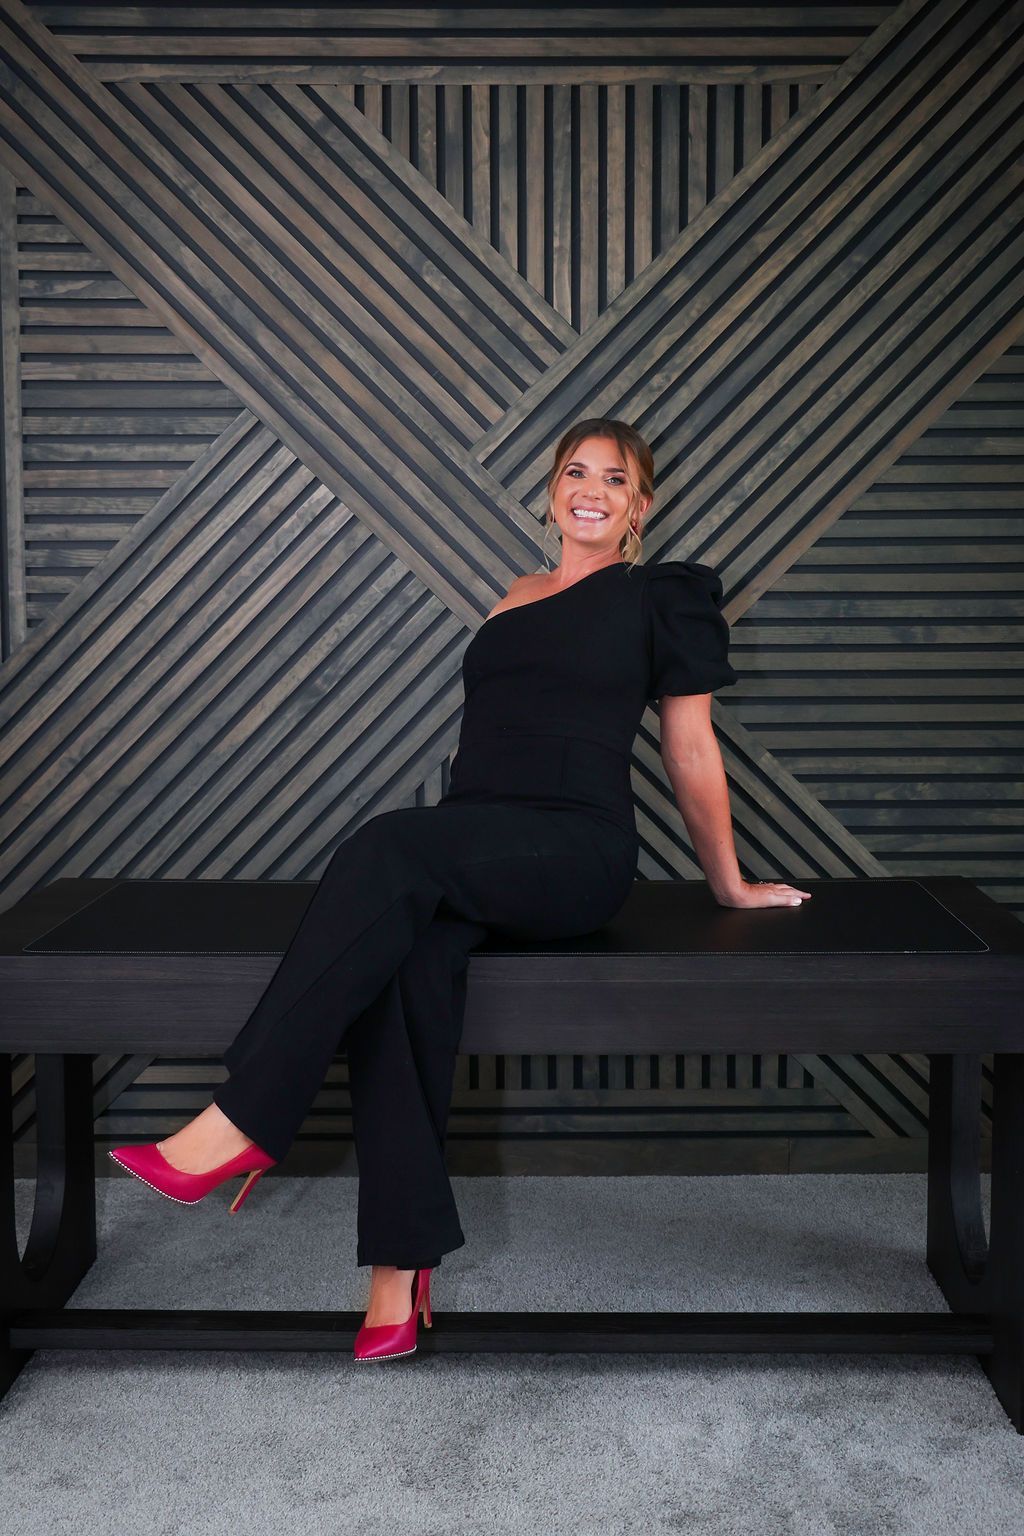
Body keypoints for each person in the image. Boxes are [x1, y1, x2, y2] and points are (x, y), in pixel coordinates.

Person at [108, 417, 811, 1362]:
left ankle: (242, 1120)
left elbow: (689, 749)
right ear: (551, 490)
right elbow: (486, 740)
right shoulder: (513, 596)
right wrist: (448, 852)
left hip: (574, 851)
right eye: (575, 471)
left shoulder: (663, 598)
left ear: (639, 506)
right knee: (408, 967)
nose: (591, 488)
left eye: (615, 477)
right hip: (473, 839)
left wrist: (727, 886)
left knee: (380, 849)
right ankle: (398, 1275)